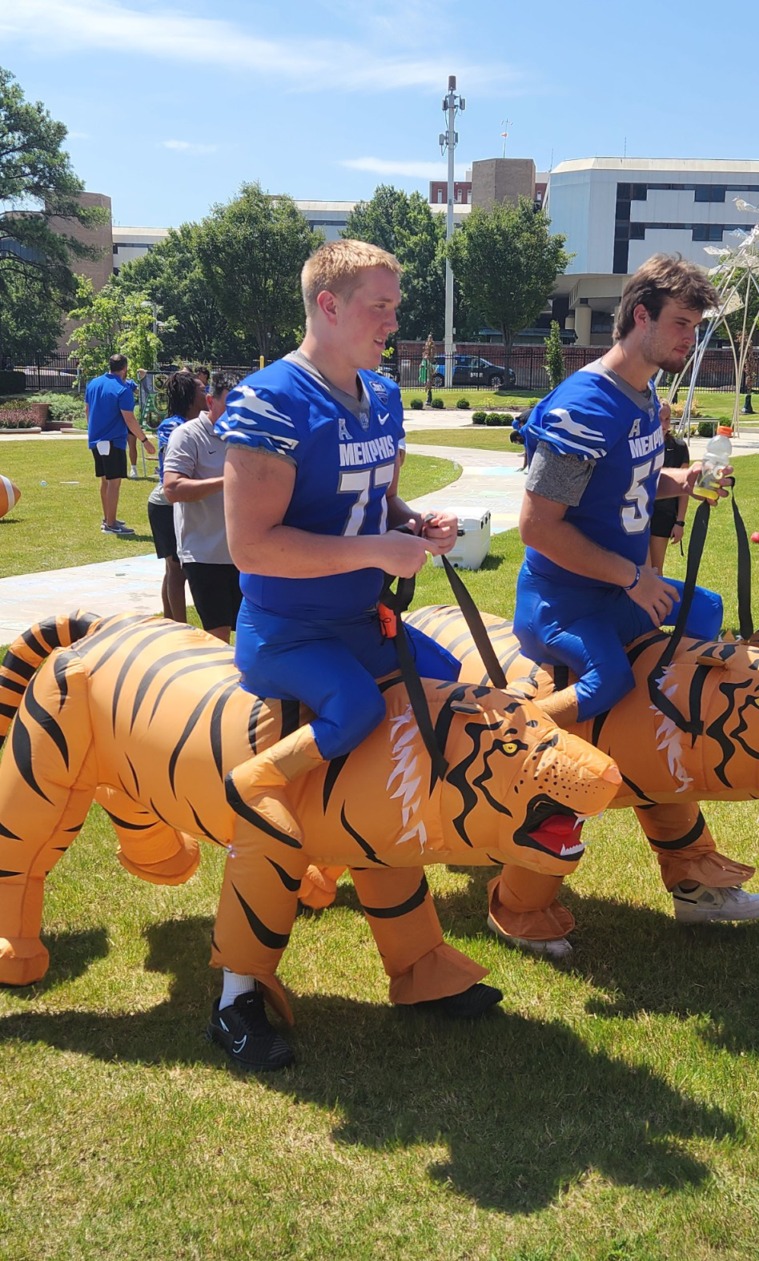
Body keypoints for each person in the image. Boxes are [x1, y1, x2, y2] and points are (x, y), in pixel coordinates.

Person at [208, 239, 495, 1069]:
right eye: (380, 305)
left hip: (364, 622)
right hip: (290, 635)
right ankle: (236, 991)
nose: (394, 321)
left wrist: (411, 526)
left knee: (458, 704)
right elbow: (251, 546)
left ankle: (421, 960)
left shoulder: (380, 396)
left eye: (395, 305)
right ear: (328, 306)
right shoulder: (270, 400)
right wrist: (376, 551)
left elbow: (374, 501)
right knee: (358, 713)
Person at [513, 253, 759, 924]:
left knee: (706, 618)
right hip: (567, 599)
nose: (691, 339)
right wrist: (633, 574)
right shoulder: (583, 404)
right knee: (613, 687)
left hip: (617, 590)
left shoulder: (643, 398)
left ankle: (693, 877)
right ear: (640, 316)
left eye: (696, 325)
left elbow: (621, 484)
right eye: (682, 324)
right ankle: (504, 738)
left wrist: (679, 483)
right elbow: (537, 526)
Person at [162, 372, 242, 642]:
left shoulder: (249, 435)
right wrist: (226, 481)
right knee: (217, 639)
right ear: (210, 400)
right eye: (230, 405)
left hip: (248, 553)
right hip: (206, 554)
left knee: (252, 638)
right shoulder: (187, 435)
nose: (237, 413)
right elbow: (172, 489)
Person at [146, 371, 206, 623]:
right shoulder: (173, 425)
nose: (208, 393)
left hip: (184, 504)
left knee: (174, 568)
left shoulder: (200, 422)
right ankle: (179, 628)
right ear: (190, 396)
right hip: (166, 505)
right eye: (203, 390)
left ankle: (169, 623)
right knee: (176, 568)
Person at [84, 353, 155, 535]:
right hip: (113, 441)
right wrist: (145, 441)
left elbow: (87, 411)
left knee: (105, 480)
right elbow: (130, 420)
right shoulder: (122, 390)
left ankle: (108, 518)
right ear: (124, 368)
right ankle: (111, 524)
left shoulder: (93, 384)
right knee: (114, 483)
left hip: (96, 440)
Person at [647, 400, 691, 574]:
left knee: (656, 570)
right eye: (660, 419)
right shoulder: (641, 445)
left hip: (664, 515)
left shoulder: (679, 448)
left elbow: (684, 489)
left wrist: (680, 522)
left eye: (667, 419)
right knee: (637, 569)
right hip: (638, 514)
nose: (664, 425)